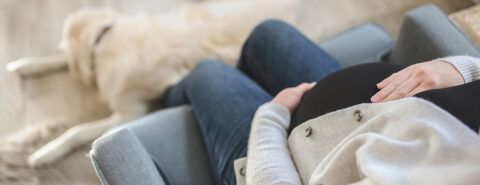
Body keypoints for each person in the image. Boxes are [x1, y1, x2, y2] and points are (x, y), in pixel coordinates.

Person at [160, 20, 480, 185]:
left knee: (208, 74)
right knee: (268, 34)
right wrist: (462, 68)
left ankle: (165, 103)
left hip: (285, 160)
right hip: (357, 112)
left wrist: (271, 116)